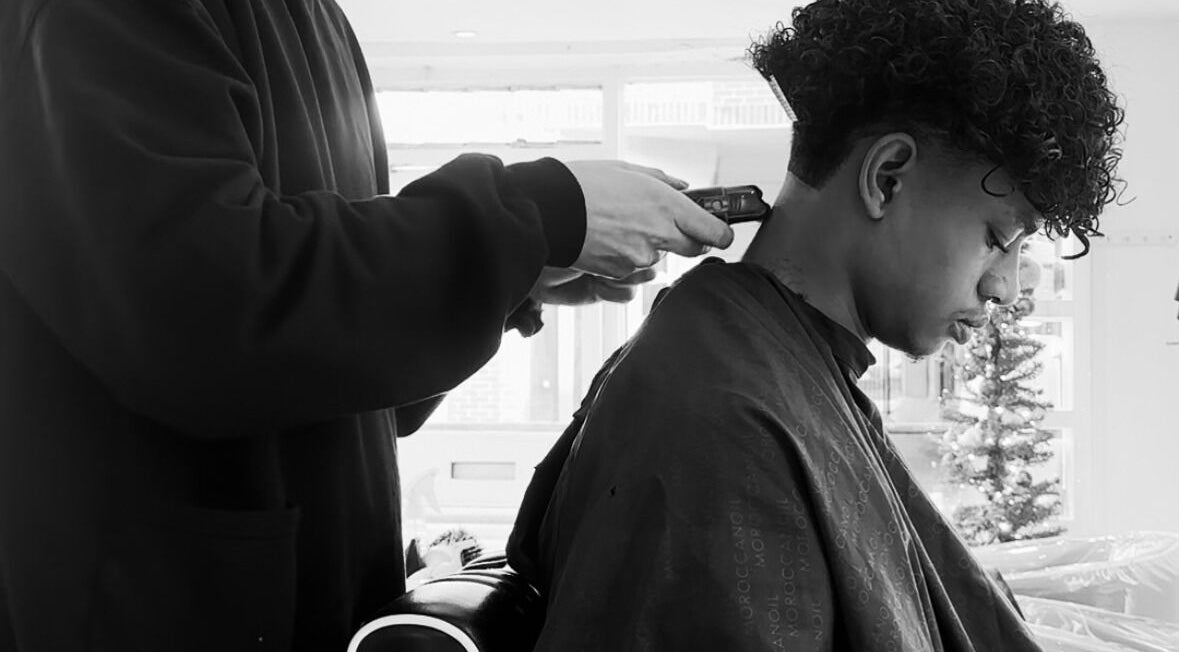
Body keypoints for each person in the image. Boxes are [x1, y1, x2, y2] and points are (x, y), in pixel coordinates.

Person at [0, 1, 734, 651]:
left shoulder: (314, 19)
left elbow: (336, 364)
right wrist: (537, 219)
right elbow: (195, 315)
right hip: (160, 607)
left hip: (311, 596)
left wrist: (513, 277)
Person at [507, 0, 1125, 649]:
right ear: (886, 178)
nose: (1005, 286)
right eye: (998, 236)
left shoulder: (773, 361)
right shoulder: (724, 417)